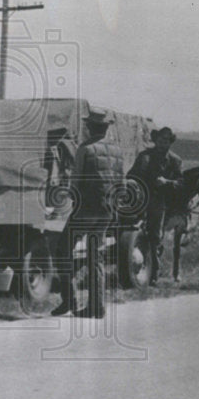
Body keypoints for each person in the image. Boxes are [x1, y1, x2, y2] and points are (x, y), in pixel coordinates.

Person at [52, 109, 124, 318]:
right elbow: (121, 181)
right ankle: (97, 306)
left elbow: (75, 181)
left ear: (90, 127)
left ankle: (69, 300)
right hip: (107, 210)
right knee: (96, 256)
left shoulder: (85, 149)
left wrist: (72, 201)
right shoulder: (117, 151)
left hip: (86, 209)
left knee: (63, 250)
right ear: (106, 127)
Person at [127, 126, 183, 283]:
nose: (162, 144)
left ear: (170, 142)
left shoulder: (175, 160)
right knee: (129, 228)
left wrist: (167, 182)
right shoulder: (144, 156)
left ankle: (154, 273)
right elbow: (131, 175)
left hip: (161, 200)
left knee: (155, 236)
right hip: (140, 198)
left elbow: (181, 183)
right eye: (160, 140)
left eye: (166, 141)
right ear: (155, 140)